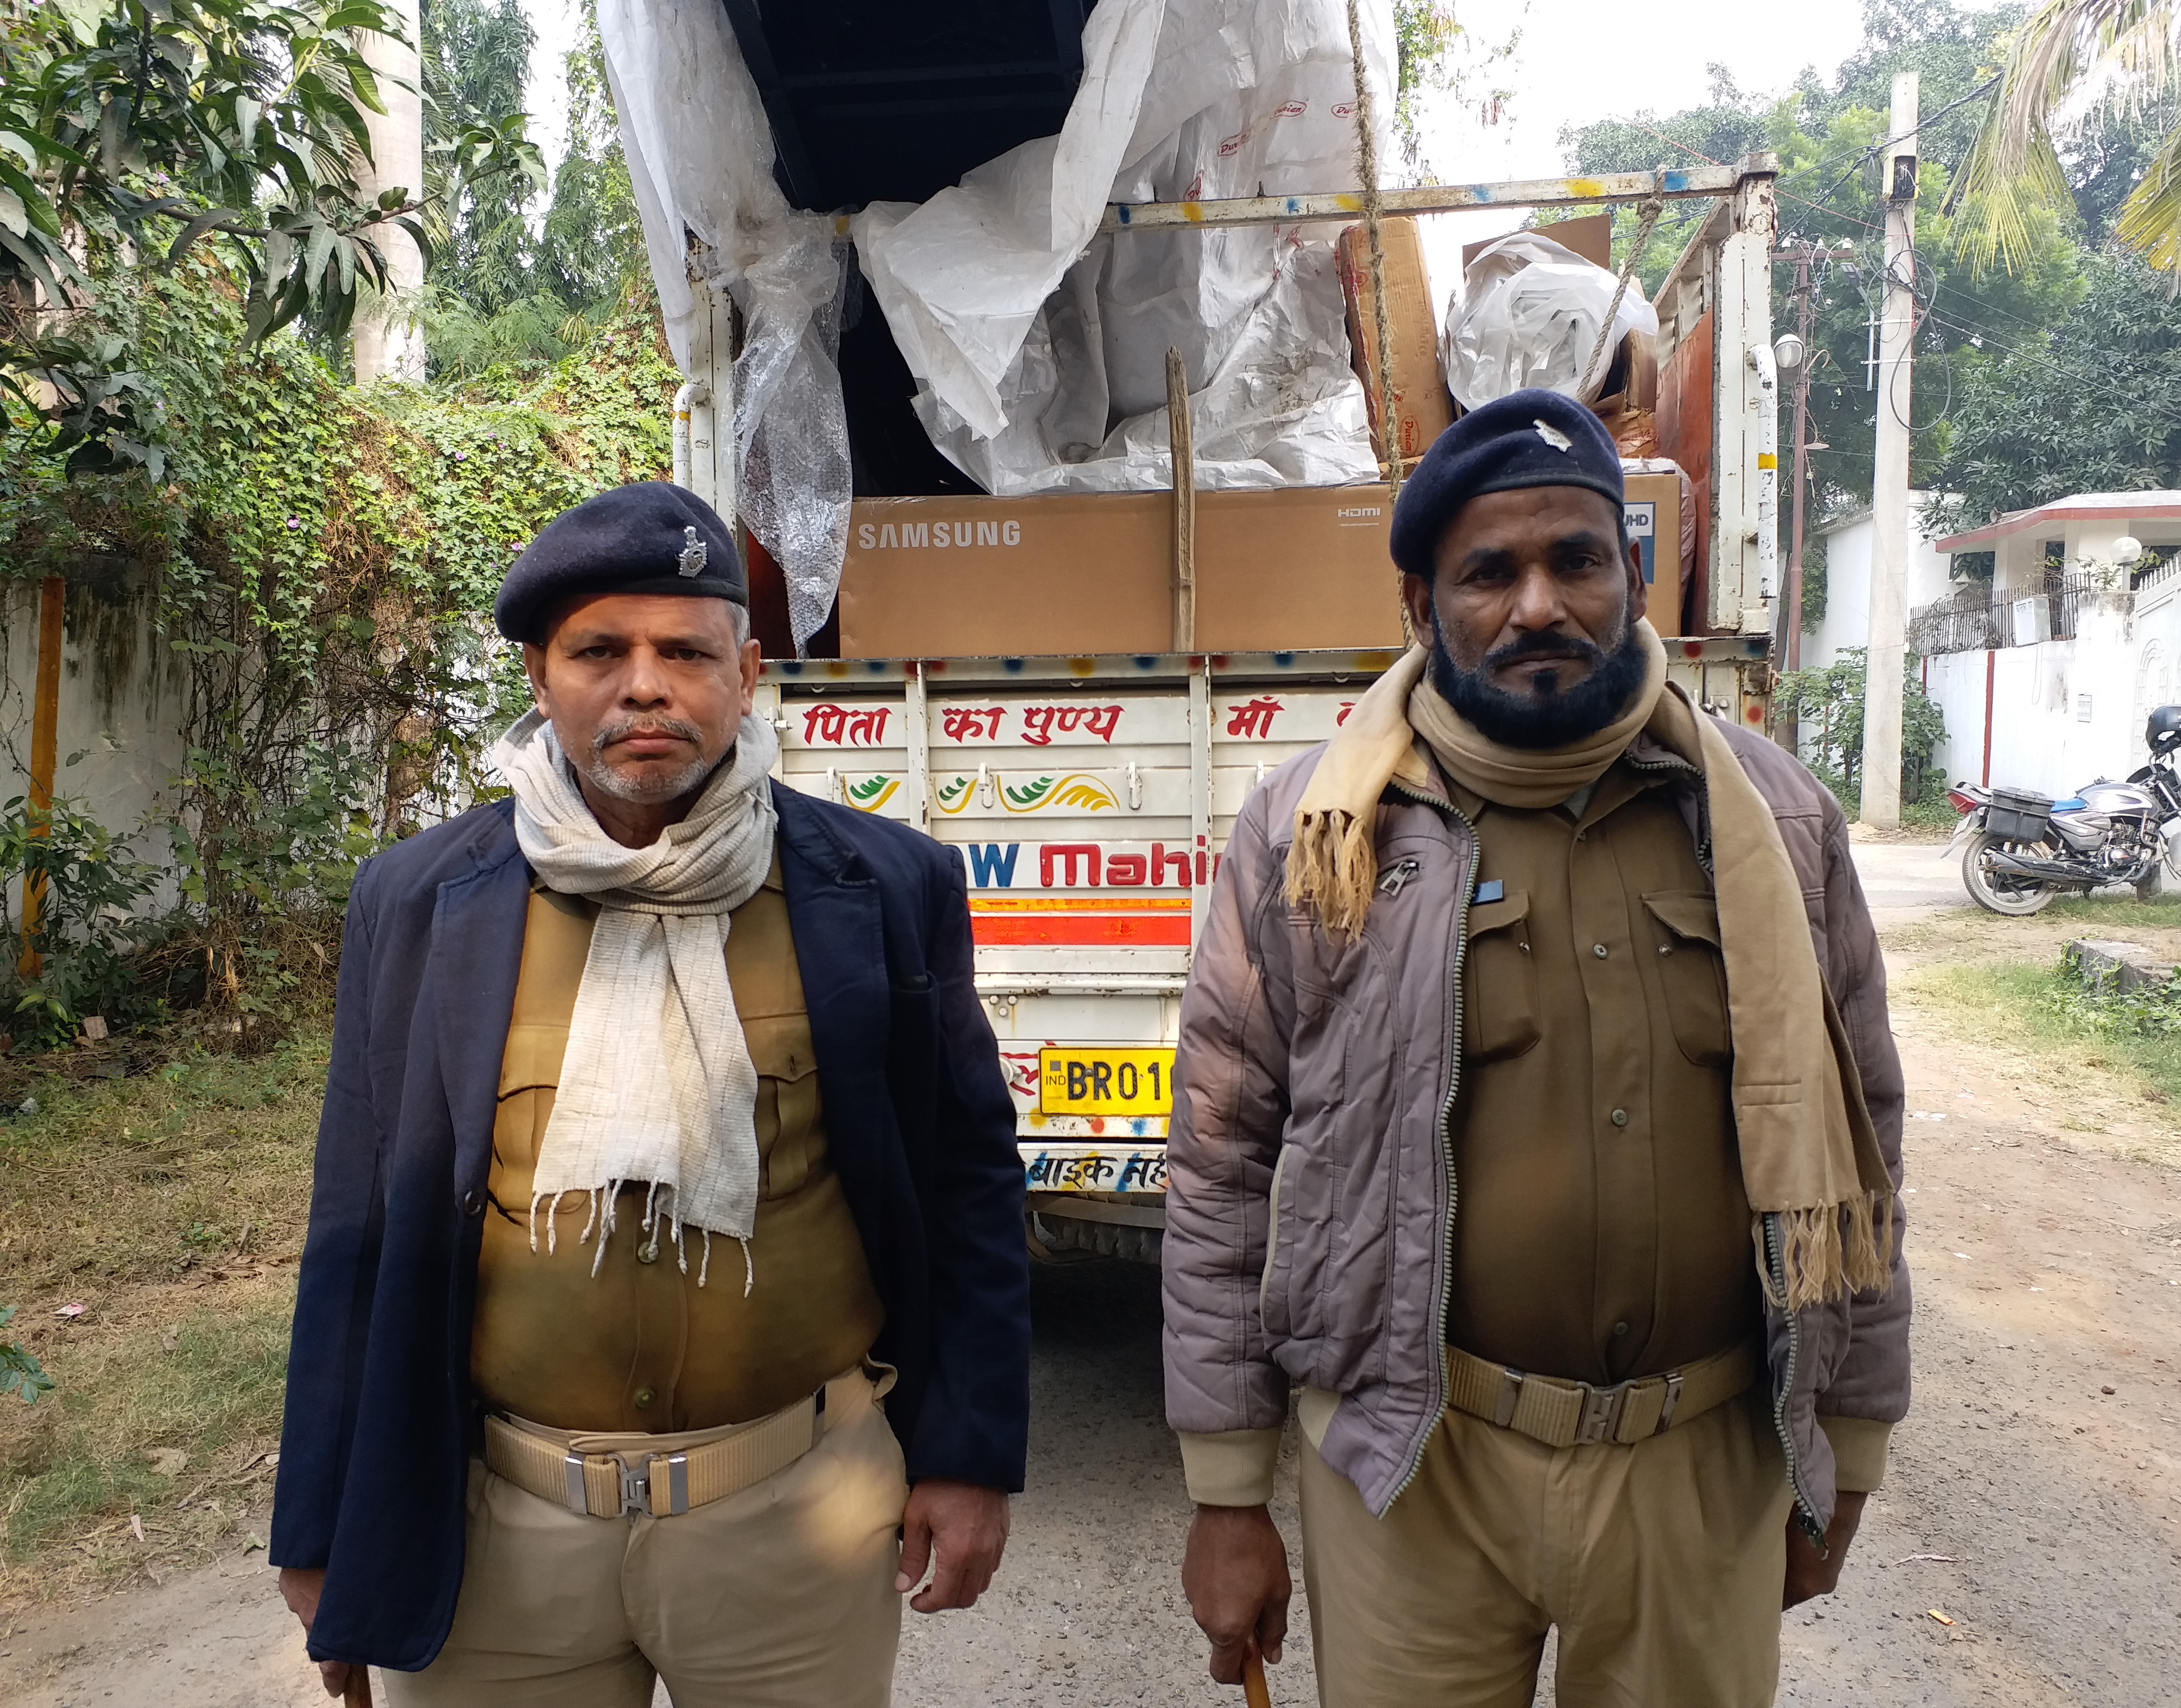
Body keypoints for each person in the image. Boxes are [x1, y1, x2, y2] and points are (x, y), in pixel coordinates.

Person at [1164, 391, 1910, 1706]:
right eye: (1488, 573)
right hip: (1414, 1466)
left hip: (1702, 1461)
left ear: (1631, 572)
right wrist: (1229, 1494)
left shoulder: (1773, 819)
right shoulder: (1311, 835)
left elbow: (1865, 1140)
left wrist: (1848, 1443)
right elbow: (1224, 1160)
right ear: (1419, 603)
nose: (1538, 606)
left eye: (1575, 559)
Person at [270, 483, 1030, 1708]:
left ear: (748, 674)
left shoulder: (883, 887)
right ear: (537, 672)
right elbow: (355, 1224)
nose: (644, 686)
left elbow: (967, 1190)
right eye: (599, 651)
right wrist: (321, 1527)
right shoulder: (418, 901)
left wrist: (970, 1457)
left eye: (686, 650)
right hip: (500, 1530)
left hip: (799, 1517)